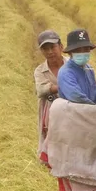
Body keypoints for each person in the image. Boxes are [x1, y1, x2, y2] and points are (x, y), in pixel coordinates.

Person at [57, 29, 96, 106]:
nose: (82, 53)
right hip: (74, 116)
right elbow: (78, 100)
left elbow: (95, 96)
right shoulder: (65, 73)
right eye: (78, 50)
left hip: (90, 113)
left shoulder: (89, 69)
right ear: (70, 52)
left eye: (86, 49)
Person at [34, 30, 65, 164]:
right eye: (45, 49)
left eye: (52, 47)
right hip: (51, 111)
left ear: (61, 47)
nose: (50, 52)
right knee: (52, 138)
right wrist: (66, 87)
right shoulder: (40, 71)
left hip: (74, 108)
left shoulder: (73, 65)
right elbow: (41, 89)